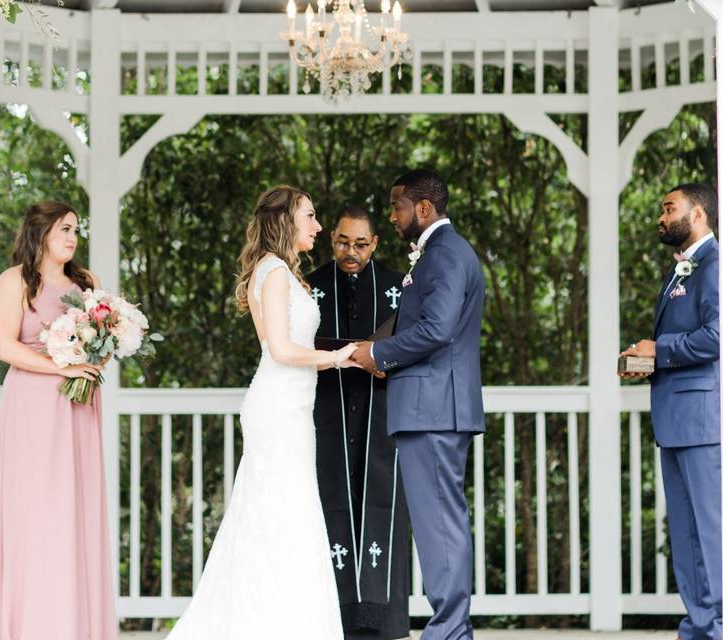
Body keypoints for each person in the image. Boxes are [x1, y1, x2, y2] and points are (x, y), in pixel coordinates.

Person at [165, 185, 359, 639]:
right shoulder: (273, 273)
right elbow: (279, 348)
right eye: (310, 216)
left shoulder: (282, 274)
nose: (318, 226)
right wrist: (339, 356)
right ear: (286, 220)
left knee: (284, 515)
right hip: (278, 408)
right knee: (279, 514)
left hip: (290, 406)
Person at [351, 169, 486, 640]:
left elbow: (437, 329)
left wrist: (379, 354)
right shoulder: (437, 253)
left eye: (397, 206)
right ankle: (452, 627)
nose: (391, 216)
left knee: (440, 525)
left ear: (423, 208)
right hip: (429, 404)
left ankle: (450, 630)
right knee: (437, 524)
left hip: (434, 408)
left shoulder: (445, 254)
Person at [0, 202, 117, 640]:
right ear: (42, 232)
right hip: (31, 407)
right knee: (36, 513)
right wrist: (59, 366)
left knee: (76, 512)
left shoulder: (88, 284)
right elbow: (4, 346)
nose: (72, 237)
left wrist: (93, 351)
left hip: (77, 408)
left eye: (76, 230)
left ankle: (75, 626)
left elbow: (102, 345)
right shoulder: (14, 282)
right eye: (64, 228)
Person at [619, 183, 721, 640]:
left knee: (710, 534)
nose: (661, 218)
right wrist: (646, 361)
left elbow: (720, 335)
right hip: (675, 422)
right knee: (685, 537)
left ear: (697, 213)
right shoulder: (679, 270)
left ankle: (719, 627)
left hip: (702, 420)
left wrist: (659, 349)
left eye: (668, 209)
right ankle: (698, 626)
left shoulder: (714, 264)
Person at [307, 206, 410, 640]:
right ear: (332, 238)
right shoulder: (310, 285)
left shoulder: (396, 288)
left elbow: (413, 341)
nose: (351, 252)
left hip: (378, 407)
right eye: (343, 242)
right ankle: (336, 616)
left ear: (376, 243)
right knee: (329, 499)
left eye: (361, 244)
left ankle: (381, 619)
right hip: (326, 408)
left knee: (380, 502)